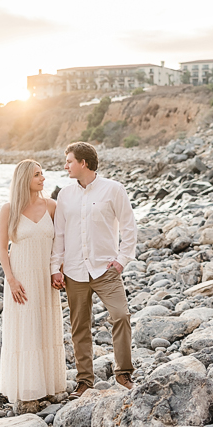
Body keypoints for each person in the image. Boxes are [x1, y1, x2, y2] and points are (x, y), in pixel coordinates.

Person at [51, 142, 137, 399]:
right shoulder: (65, 194)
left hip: (105, 268)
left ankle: (123, 372)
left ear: (83, 163)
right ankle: (85, 381)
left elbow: (129, 226)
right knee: (80, 327)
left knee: (120, 315)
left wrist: (122, 260)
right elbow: (60, 234)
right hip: (74, 270)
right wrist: (55, 267)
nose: (66, 165)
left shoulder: (113, 189)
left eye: (69, 161)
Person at [0, 160, 67, 410]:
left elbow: (60, 244)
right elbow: (3, 250)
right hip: (21, 278)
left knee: (44, 326)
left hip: (45, 278)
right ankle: (27, 388)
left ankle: (47, 386)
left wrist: (58, 271)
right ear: (25, 179)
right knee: (26, 329)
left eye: (42, 174)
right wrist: (12, 279)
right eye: (37, 175)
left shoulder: (52, 206)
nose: (43, 179)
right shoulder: (9, 209)